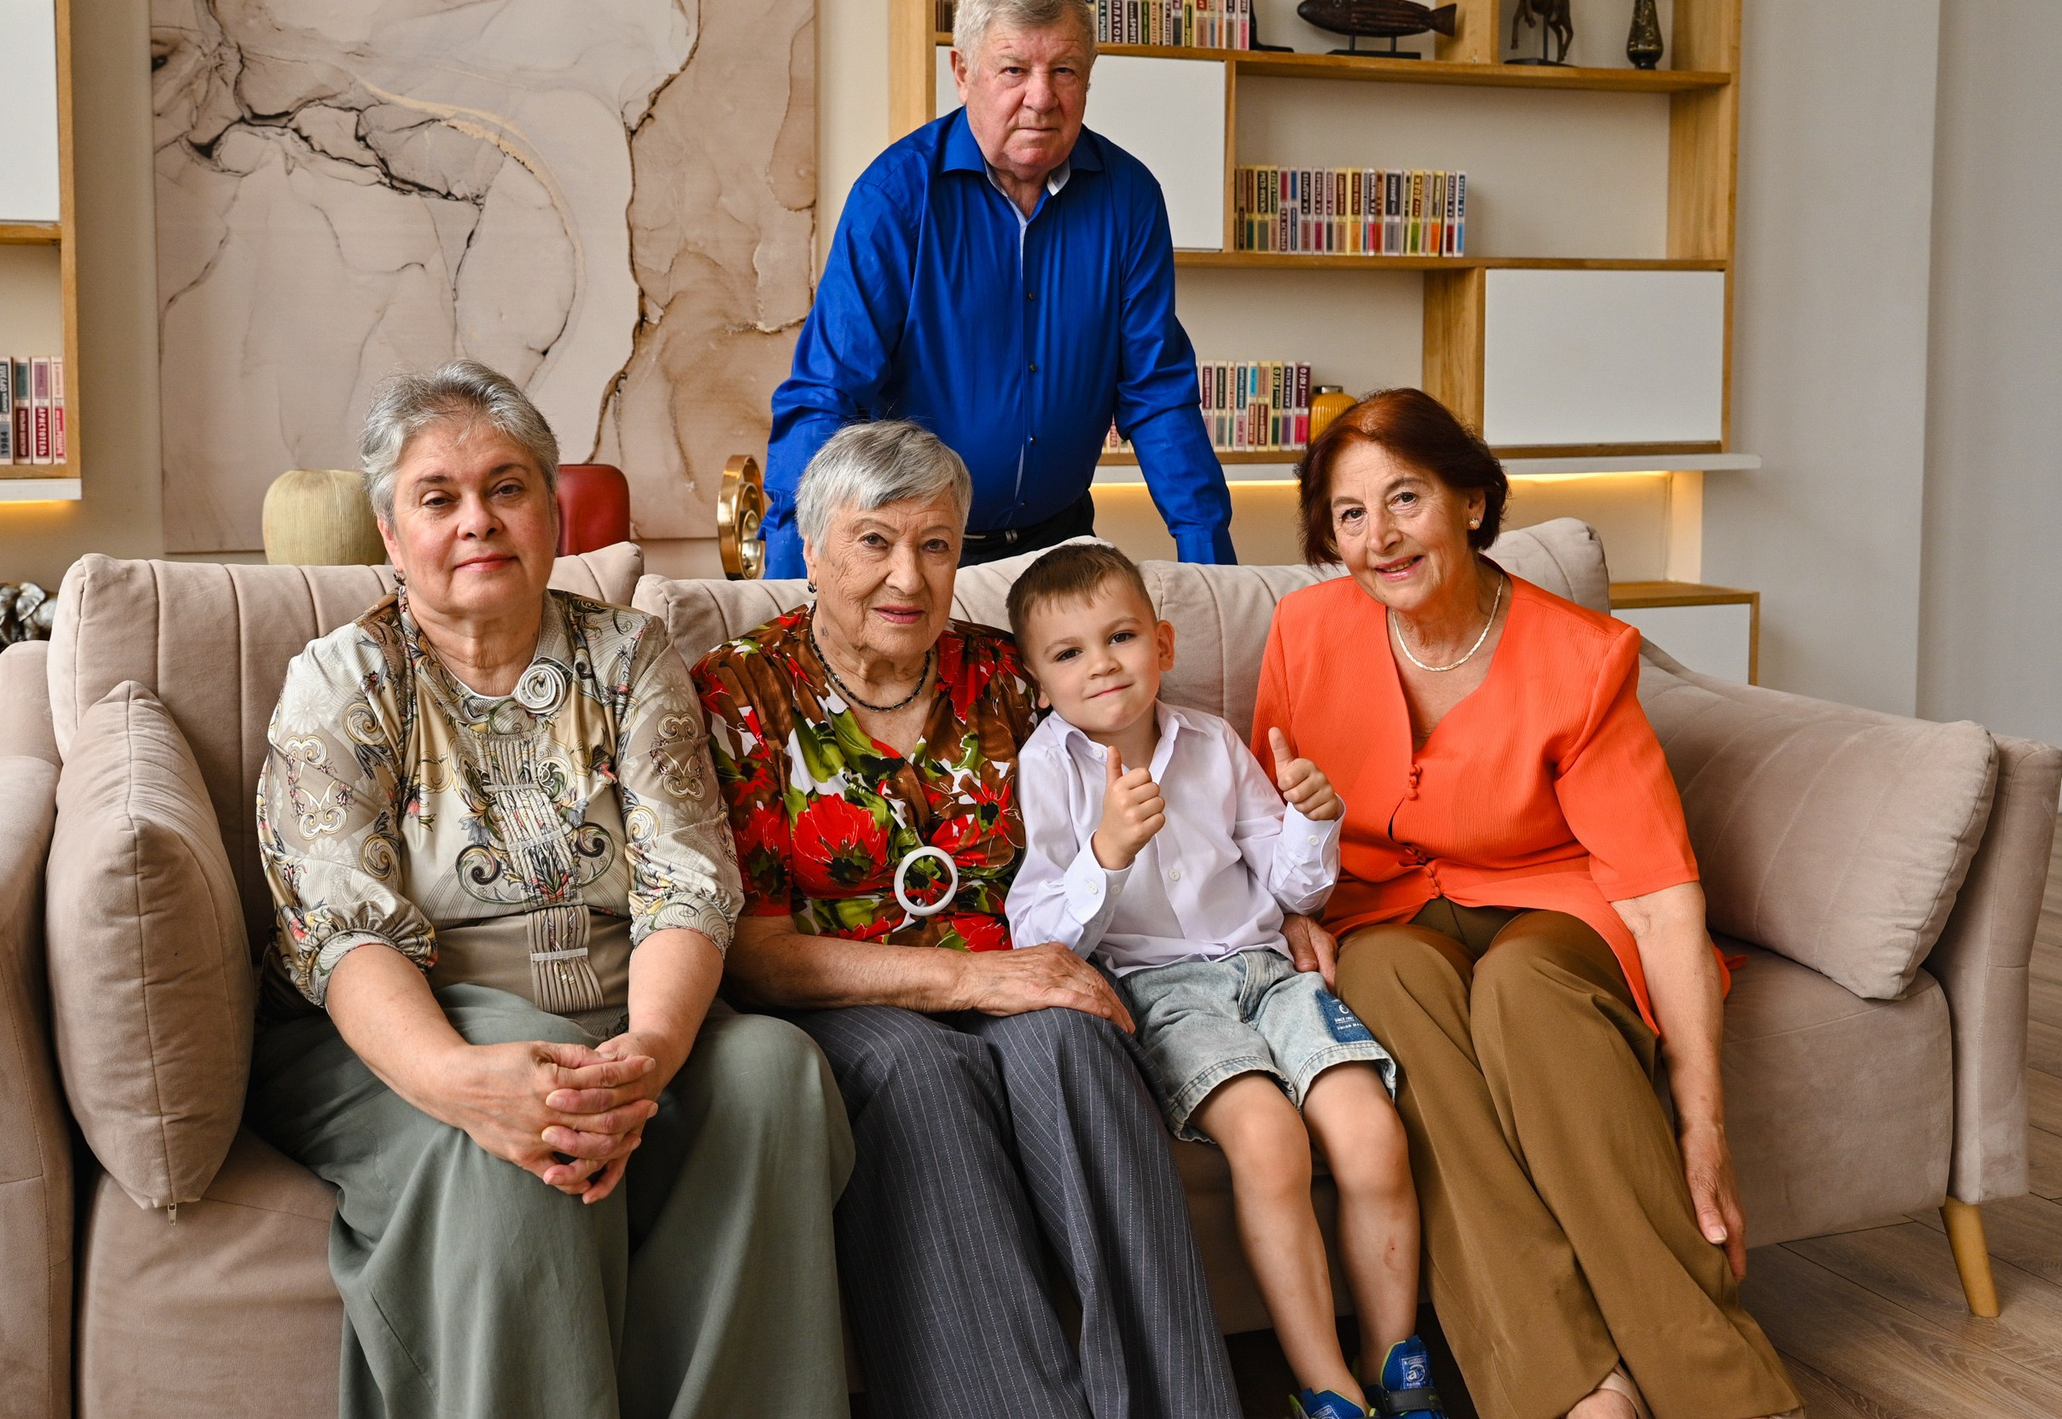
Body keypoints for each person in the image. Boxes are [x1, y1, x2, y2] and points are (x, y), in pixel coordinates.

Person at [247, 361, 854, 1419]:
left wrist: (645, 1059)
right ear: (391, 534)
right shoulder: (344, 676)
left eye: (508, 485)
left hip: (624, 1013)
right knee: (519, 1144)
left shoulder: (627, 654)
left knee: (771, 1074)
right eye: (438, 497)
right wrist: (460, 1079)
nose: (477, 519)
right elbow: (342, 930)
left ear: (549, 509)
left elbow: (686, 882)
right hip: (406, 1023)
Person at [1254, 388, 1801, 1419]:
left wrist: (1704, 1121)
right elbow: (1265, 820)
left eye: (1404, 497)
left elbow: (1658, 898)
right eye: (1349, 513)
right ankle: (1574, 1389)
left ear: (1468, 497)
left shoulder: (1580, 657)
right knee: (1383, 981)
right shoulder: (1304, 629)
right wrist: (1286, 909)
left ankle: (1727, 1392)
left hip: (1556, 907)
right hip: (1384, 912)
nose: (1380, 536)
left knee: (1523, 994)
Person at [693, 420, 1240, 1419]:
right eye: (874, 540)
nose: (908, 574)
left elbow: (1158, 790)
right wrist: (971, 979)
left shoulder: (1008, 675)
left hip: (1027, 972)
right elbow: (753, 952)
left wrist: (1268, 914)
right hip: (848, 994)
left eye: (936, 543)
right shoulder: (741, 691)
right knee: (923, 1071)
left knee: (1077, 1039)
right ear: (811, 549)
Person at [1002, 543, 1433, 1419]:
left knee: (1370, 1130)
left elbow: (1294, 889)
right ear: (1037, 679)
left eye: (1121, 636)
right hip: (1162, 992)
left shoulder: (1212, 742)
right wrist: (1106, 853)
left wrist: (1315, 820)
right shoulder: (1048, 767)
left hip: (1269, 969)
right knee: (1270, 1142)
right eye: (1069, 652)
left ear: (1162, 642)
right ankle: (1328, 1386)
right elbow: (1039, 932)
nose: (1103, 665)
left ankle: (1396, 1358)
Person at [761, 0, 1234, 574]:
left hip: (1063, 549)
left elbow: (1157, 391)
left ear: (1088, 78)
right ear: (963, 73)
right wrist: (791, 593)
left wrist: (1214, 570)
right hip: (915, 561)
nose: (1041, 97)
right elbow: (826, 394)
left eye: (1063, 70)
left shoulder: (1130, 197)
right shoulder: (895, 197)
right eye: (1013, 70)